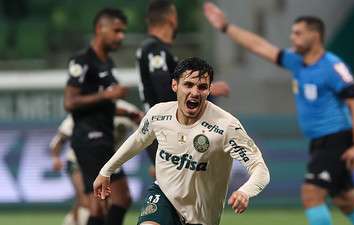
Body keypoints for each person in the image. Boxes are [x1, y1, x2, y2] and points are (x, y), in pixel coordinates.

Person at [203, 2, 354, 225]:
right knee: (346, 201)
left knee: (311, 194)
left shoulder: (332, 67)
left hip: (337, 139)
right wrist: (226, 27)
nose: (292, 38)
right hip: (320, 141)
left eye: (298, 33)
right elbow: (259, 46)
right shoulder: (297, 62)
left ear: (315, 35)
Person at [93, 57, 270, 225]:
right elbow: (139, 140)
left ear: (209, 90)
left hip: (201, 215)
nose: (195, 92)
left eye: (202, 87)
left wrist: (245, 191)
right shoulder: (158, 114)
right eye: (188, 85)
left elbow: (260, 169)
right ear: (175, 85)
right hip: (163, 195)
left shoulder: (226, 127)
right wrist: (106, 171)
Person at [64, 8, 141, 225]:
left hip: (102, 139)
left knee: (100, 207)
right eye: (116, 31)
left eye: (123, 31)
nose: (121, 36)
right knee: (118, 198)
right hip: (90, 139)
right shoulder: (82, 61)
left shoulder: (107, 64)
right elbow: (70, 102)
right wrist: (107, 94)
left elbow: (101, 105)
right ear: (100, 29)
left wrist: (126, 112)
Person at [136, 0, 231, 167]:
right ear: (171, 18)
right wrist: (207, 91)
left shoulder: (158, 50)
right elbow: (164, 91)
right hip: (166, 131)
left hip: (163, 131)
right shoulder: (155, 50)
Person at [50, 100, 142, 225]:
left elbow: (145, 132)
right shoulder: (87, 107)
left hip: (108, 160)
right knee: (90, 203)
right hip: (79, 160)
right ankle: (75, 220)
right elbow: (61, 138)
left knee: (117, 200)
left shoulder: (127, 109)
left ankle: (74, 219)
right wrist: (55, 157)